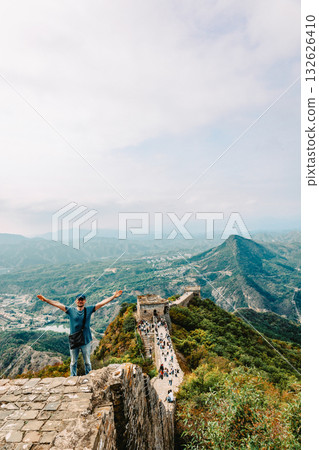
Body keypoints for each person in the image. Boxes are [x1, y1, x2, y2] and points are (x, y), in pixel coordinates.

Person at [37, 290, 122, 376]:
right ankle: (73, 377)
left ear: (85, 301)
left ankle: (88, 377)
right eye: (79, 299)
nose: (80, 301)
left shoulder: (89, 310)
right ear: (76, 301)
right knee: (73, 362)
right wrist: (46, 300)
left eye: (82, 299)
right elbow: (58, 304)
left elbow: (101, 303)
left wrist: (113, 297)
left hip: (85, 340)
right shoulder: (70, 310)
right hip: (74, 340)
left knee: (87, 362)